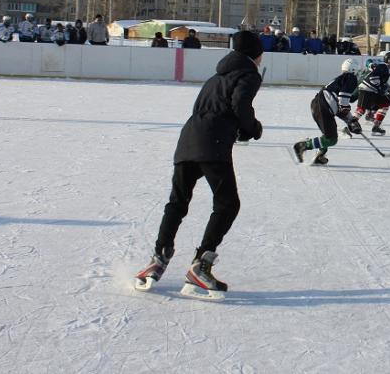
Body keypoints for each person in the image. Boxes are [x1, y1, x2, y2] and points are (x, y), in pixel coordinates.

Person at [135, 30, 264, 299]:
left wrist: (238, 128)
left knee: (178, 202)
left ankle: (158, 258)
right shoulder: (249, 74)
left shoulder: (216, 76)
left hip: (188, 140)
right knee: (228, 204)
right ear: (256, 54)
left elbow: (215, 107)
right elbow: (239, 104)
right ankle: (200, 266)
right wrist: (252, 128)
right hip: (212, 144)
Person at [293, 59, 363, 165]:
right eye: (357, 71)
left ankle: (320, 155)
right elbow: (342, 102)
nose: (357, 74)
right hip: (323, 106)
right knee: (331, 139)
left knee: (328, 135)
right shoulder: (350, 77)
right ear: (353, 70)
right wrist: (350, 119)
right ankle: (303, 145)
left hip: (320, 105)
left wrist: (350, 120)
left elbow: (339, 105)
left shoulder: (341, 80)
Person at [355, 50, 390, 136]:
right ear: (389, 60)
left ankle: (376, 127)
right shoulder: (383, 67)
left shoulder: (387, 69)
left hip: (372, 90)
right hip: (366, 89)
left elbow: (382, 82)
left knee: (385, 103)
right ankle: (349, 127)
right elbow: (373, 79)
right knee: (361, 109)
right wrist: (382, 90)